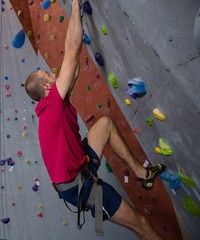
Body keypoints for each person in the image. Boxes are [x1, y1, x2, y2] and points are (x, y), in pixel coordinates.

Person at [25, 1, 165, 239]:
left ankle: (143, 175)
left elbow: (75, 60)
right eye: (49, 74)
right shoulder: (53, 105)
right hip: (81, 189)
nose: (54, 73)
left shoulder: (55, 104)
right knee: (140, 223)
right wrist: (75, 5)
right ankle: (108, 209)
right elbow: (71, 48)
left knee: (105, 125)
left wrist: (76, 16)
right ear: (47, 86)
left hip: (81, 167)